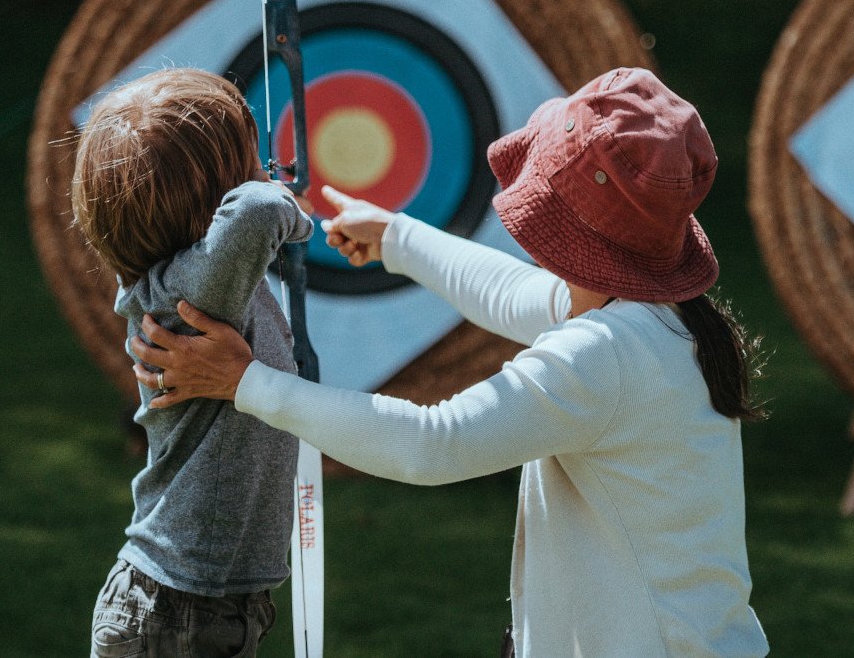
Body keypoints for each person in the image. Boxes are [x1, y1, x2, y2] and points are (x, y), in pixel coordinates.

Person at [130, 66, 771, 657]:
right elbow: (511, 292)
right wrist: (399, 238)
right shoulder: (658, 317)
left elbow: (432, 445)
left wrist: (246, 384)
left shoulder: (603, 355)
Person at [71, 67, 313, 657]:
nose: (267, 172)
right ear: (216, 200)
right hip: (179, 607)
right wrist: (290, 208)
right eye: (254, 161)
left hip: (200, 599)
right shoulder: (193, 296)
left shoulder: (205, 283)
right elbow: (258, 211)